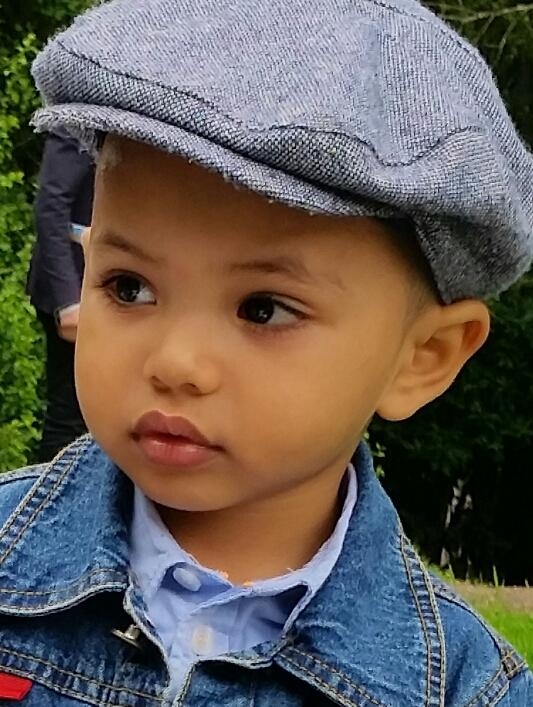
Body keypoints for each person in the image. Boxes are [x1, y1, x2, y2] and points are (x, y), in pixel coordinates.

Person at [0, 0, 530, 704]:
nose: (176, 363)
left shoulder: (464, 688)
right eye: (129, 287)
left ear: (421, 357)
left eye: (263, 309)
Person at [26, 127, 94, 462]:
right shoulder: (77, 120)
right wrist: (69, 300)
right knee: (70, 418)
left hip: (114, 289)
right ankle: (49, 493)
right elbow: (51, 206)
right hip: (73, 291)